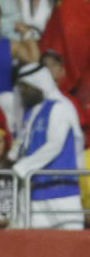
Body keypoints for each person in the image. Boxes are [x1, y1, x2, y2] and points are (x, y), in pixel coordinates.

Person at [12, 63, 86, 230]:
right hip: (35, 195)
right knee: (35, 251)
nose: (22, 93)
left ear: (38, 84)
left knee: (69, 250)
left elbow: (55, 145)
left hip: (63, 194)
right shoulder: (31, 113)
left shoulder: (61, 107)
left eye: (25, 87)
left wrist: (23, 168)